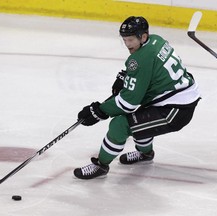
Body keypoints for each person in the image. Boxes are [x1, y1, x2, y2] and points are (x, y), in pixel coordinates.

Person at [73, 16, 201, 179]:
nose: (127, 44)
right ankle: (145, 155)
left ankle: (101, 166)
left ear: (143, 37)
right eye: (124, 40)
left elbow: (127, 103)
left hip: (175, 110)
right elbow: (152, 69)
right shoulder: (157, 40)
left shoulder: (139, 59)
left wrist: (99, 111)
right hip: (177, 97)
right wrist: (128, 76)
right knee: (139, 119)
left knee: (120, 124)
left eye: (131, 40)